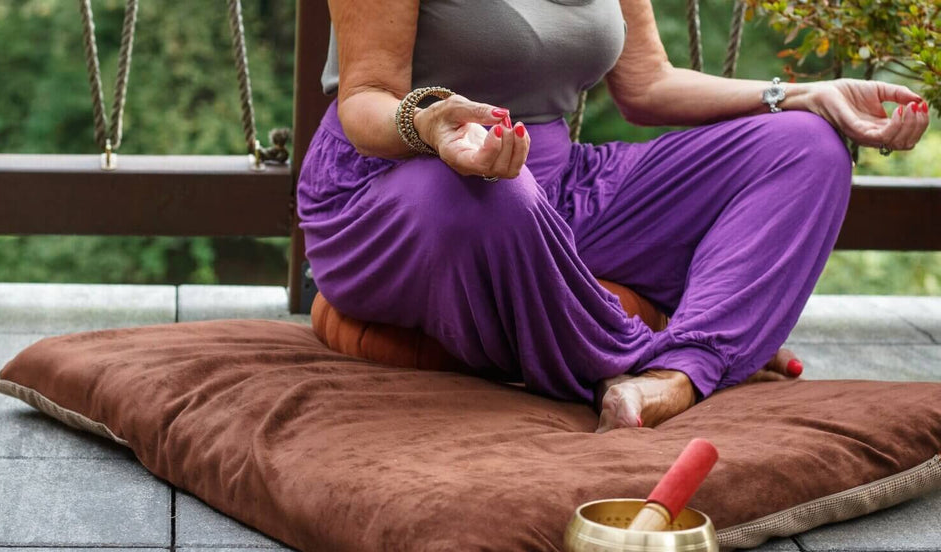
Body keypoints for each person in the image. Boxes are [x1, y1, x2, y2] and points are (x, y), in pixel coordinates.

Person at [297, 0, 930, 433]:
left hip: (558, 186)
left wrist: (800, 95)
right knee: (496, 199)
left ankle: (676, 375)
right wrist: (433, 126)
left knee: (806, 147)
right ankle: (679, 350)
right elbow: (364, 101)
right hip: (398, 187)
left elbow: (647, 84)